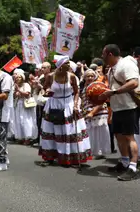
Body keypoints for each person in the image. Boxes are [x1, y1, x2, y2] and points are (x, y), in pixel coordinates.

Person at [38, 55, 92, 167]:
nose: (69, 65)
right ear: (60, 66)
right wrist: (47, 91)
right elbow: (44, 87)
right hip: (53, 105)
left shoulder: (71, 76)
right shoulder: (51, 76)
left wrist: (76, 105)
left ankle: (72, 157)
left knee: (70, 131)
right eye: (67, 63)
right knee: (52, 131)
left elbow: (76, 92)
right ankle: (50, 157)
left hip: (68, 104)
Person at [99, 44, 139, 181]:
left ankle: (133, 167)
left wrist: (114, 92)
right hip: (117, 108)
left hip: (128, 107)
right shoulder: (111, 69)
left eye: (103, 54)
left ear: (109, 54)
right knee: (119, 136)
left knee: (129, 137)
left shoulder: (126, 64)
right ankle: (125, 162)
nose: (101, 57)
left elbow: (134, 82)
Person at [81, 69, 110, 159]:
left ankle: (100, 151)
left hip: (99, 113)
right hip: (88, 113)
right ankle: (93, 151)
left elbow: (102, 102)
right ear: (84, 77)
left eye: (92, 76)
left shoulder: (99, 86)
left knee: (100, 132)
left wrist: (93, 112)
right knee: (91, 133)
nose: (90, 78)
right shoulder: (84, 88)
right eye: (88, 76)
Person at [13, 69, 38, 144]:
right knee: (19, 121)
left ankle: (28, 138)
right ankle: (21, 137)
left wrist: (19, 91)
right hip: (18, 104)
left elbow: (27, 94)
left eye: (19, 77)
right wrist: (15, 92)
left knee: (26, 121)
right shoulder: (15, 86)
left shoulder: (26, 85)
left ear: (23, 78)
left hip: (25, 105)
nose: (17, 78)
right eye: (16, 77)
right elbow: (14, 96)